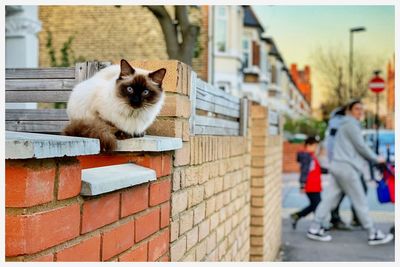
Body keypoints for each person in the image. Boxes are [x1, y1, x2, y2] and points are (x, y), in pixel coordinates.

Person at [307, 99, 393, 245]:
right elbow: (361, 146)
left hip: (337, 166)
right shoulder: (351, 125)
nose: (360, 112)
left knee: (329, 199)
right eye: (357, 109)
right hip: (347, 168)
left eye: (361, 109)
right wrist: (376, 159)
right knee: (360, 201)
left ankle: (314, 228)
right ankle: (372, 233)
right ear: (349, 111)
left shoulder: (343, 124)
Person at [290, 136, 328, 229]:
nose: (316, 148)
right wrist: (302, 185)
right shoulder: (306, 157)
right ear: (308, 145)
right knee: (317, 206)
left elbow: (317, 169)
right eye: (314, 146)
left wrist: (330, 171)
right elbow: (304, 171)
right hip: (311, 186)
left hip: (315, 185)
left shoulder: (311, 156)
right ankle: (318, 226)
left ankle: (297, 216)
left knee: (314, 205)